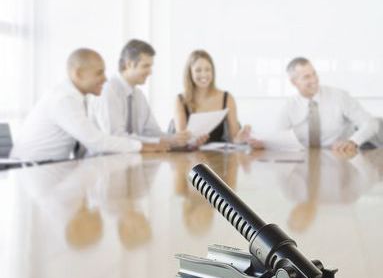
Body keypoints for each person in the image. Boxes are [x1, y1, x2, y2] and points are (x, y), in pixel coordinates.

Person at [10, 48, 168, 162]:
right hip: (30, 170)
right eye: (99, 73)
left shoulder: (78, 97)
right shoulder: (64, 99)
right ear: (78, 74)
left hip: (49, 168)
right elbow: (96, 142)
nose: (105, 79)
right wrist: (143, 146)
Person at [277, 57, 383, 157]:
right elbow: (279, 138)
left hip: (341, 158)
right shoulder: (288, 106)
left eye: (314, 74)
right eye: (307, 77)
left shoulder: (339, 96)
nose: (314, 79)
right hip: (305, 160)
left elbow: (371, 123)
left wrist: (353, 141)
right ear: (294, 82)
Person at [91, 39, 190, 148]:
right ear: (129, 64)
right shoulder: (108, 91)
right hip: (105, 157)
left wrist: (175, 139)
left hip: (133, 156)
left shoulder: (138, 95)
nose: (150, 72)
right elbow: (116, 137)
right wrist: (160, 142)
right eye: (145, 66)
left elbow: (152, 132)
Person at [174, 50, 256, 145]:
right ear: (190, 73)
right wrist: (193, 143)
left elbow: (234, 139)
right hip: (189, 152)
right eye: (198, 70)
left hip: (216, 153)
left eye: (207, 69)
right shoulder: (180, 100)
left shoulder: (227, 98)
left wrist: (241, 137)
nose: (203, 74)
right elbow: (182, 142)